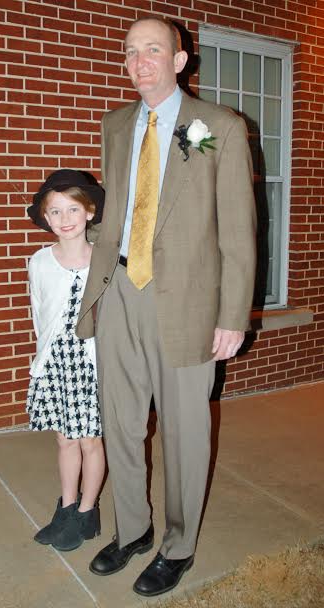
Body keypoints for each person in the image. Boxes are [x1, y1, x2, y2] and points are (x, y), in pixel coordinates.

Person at [76, 15, 256, 596]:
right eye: (131, 51)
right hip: (119, 291)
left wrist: (232, 315)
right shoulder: (115, 123)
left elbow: (238, 229)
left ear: (180, 61)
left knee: (183, 431)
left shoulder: (218, 126)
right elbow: (117, 209)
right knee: (121, 422)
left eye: (153, 50)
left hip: (188, 302)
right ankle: (132, 529)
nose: (140, 61)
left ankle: (178, 545)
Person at [25, 169, 106, 552]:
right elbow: (39, 314)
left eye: (73, 209)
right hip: (58, 364)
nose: (65, 218)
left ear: (89, 212)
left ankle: (87, 513)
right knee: (65, 440)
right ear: (46, 217)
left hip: (93, 367)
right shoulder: (40, 262)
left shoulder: (105, 261)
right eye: (55, 211)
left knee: (91, 441)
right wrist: (42, 366)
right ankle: (67, 507)